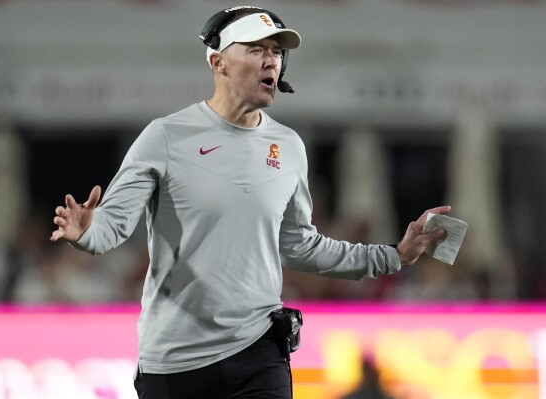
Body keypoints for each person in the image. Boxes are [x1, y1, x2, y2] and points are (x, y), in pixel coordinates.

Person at [50, 6, 450, 399]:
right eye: (257, 49)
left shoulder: (289, 147)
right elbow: (111, 227)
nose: (271, 60)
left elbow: (299, 245)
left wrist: (394, 255)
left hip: (258, 351)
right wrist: (85, 232)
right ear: (218, 61)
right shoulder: (165, 137)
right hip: (174, 360)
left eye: (277, 51)